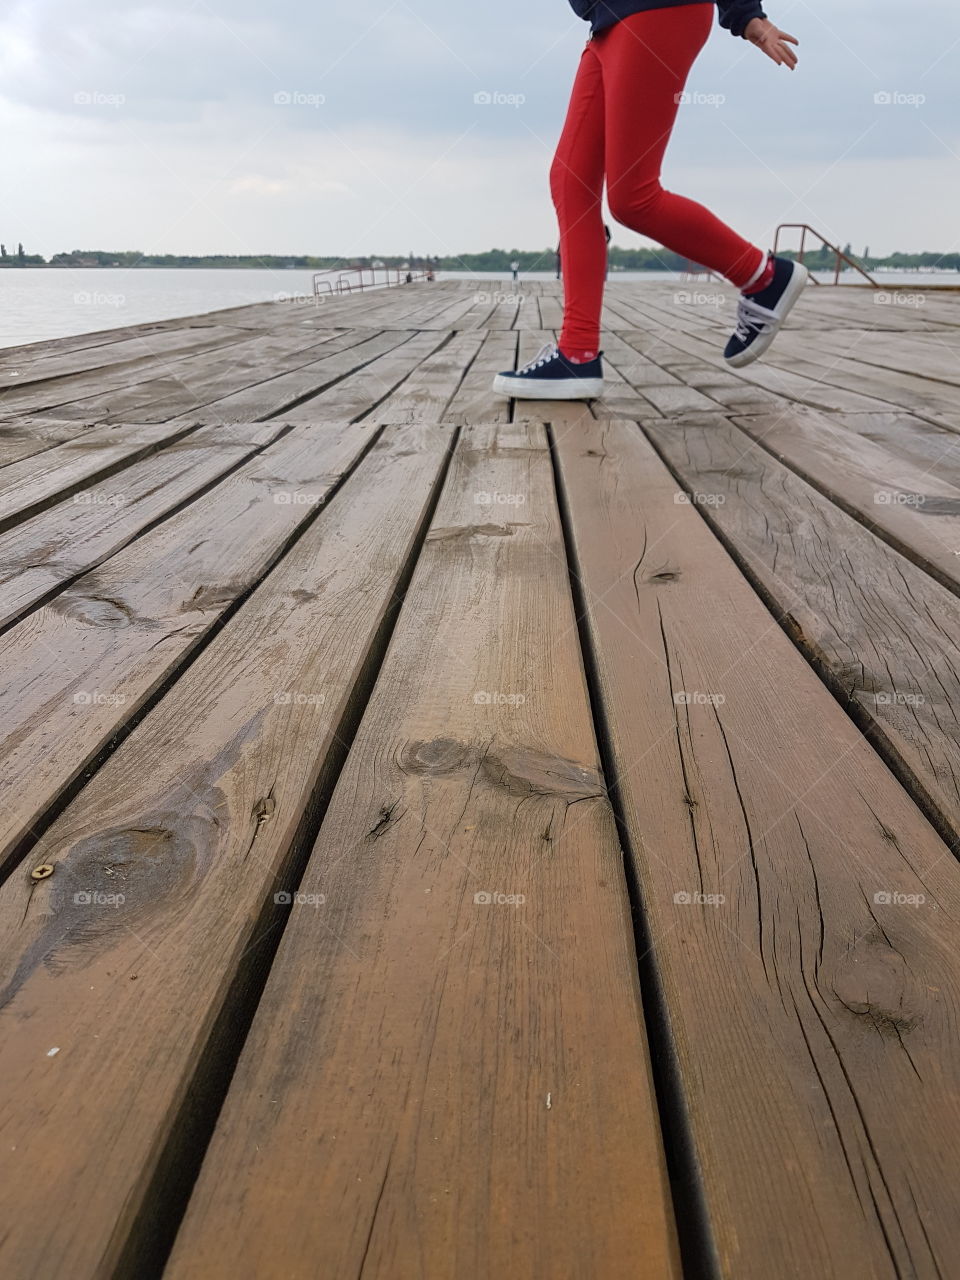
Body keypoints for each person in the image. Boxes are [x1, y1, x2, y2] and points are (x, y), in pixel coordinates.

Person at [494, 0, 806, 401]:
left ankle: (763, 276)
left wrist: (745, 15)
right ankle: (577, 353)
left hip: (656, 11)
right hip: (607, 23)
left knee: (633, 196)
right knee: (570, 180)